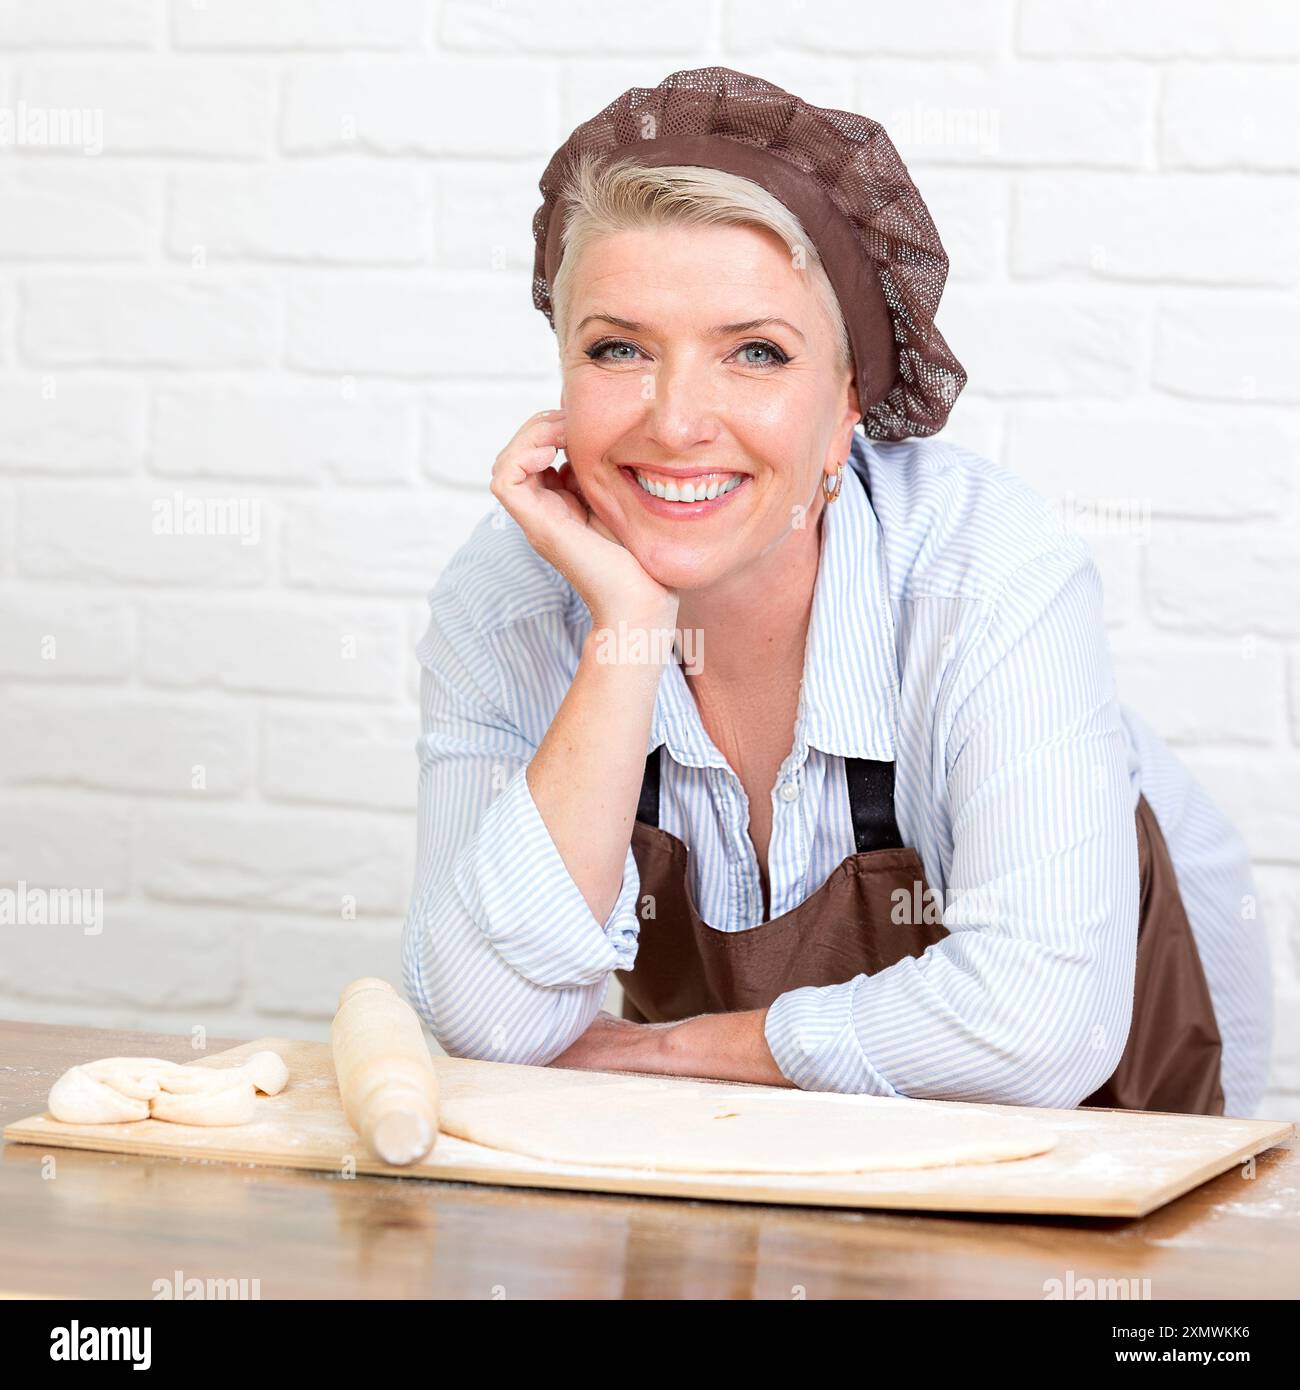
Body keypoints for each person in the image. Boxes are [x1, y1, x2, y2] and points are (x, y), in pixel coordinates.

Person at [402, 68, 1272, 1117]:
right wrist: (625, 630)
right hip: (771, 1160)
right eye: (618, 348)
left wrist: (670, 1053)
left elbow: (1041, 1027)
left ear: (850, 397)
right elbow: (485, 1023)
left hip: (1107, 1140)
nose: (675, 421)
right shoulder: (509, 601)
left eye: (755, 353)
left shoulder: (987, 571)